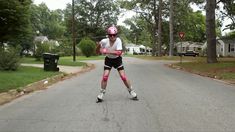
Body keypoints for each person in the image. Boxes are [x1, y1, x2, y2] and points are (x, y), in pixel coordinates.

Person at [96, 26, 138, 103]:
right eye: (110, 35)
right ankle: (101, 93)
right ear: (108, 35)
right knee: (105, 77)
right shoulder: (104, 41)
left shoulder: (118, 40)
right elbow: (97, 52)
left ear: (116, 35)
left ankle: (131, 91)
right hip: (108, 60)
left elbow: (119, 53)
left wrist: (106, 51)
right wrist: (99, 46)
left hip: (117, 60)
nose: (112, 37)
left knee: (123, 77)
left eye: (114, 35)